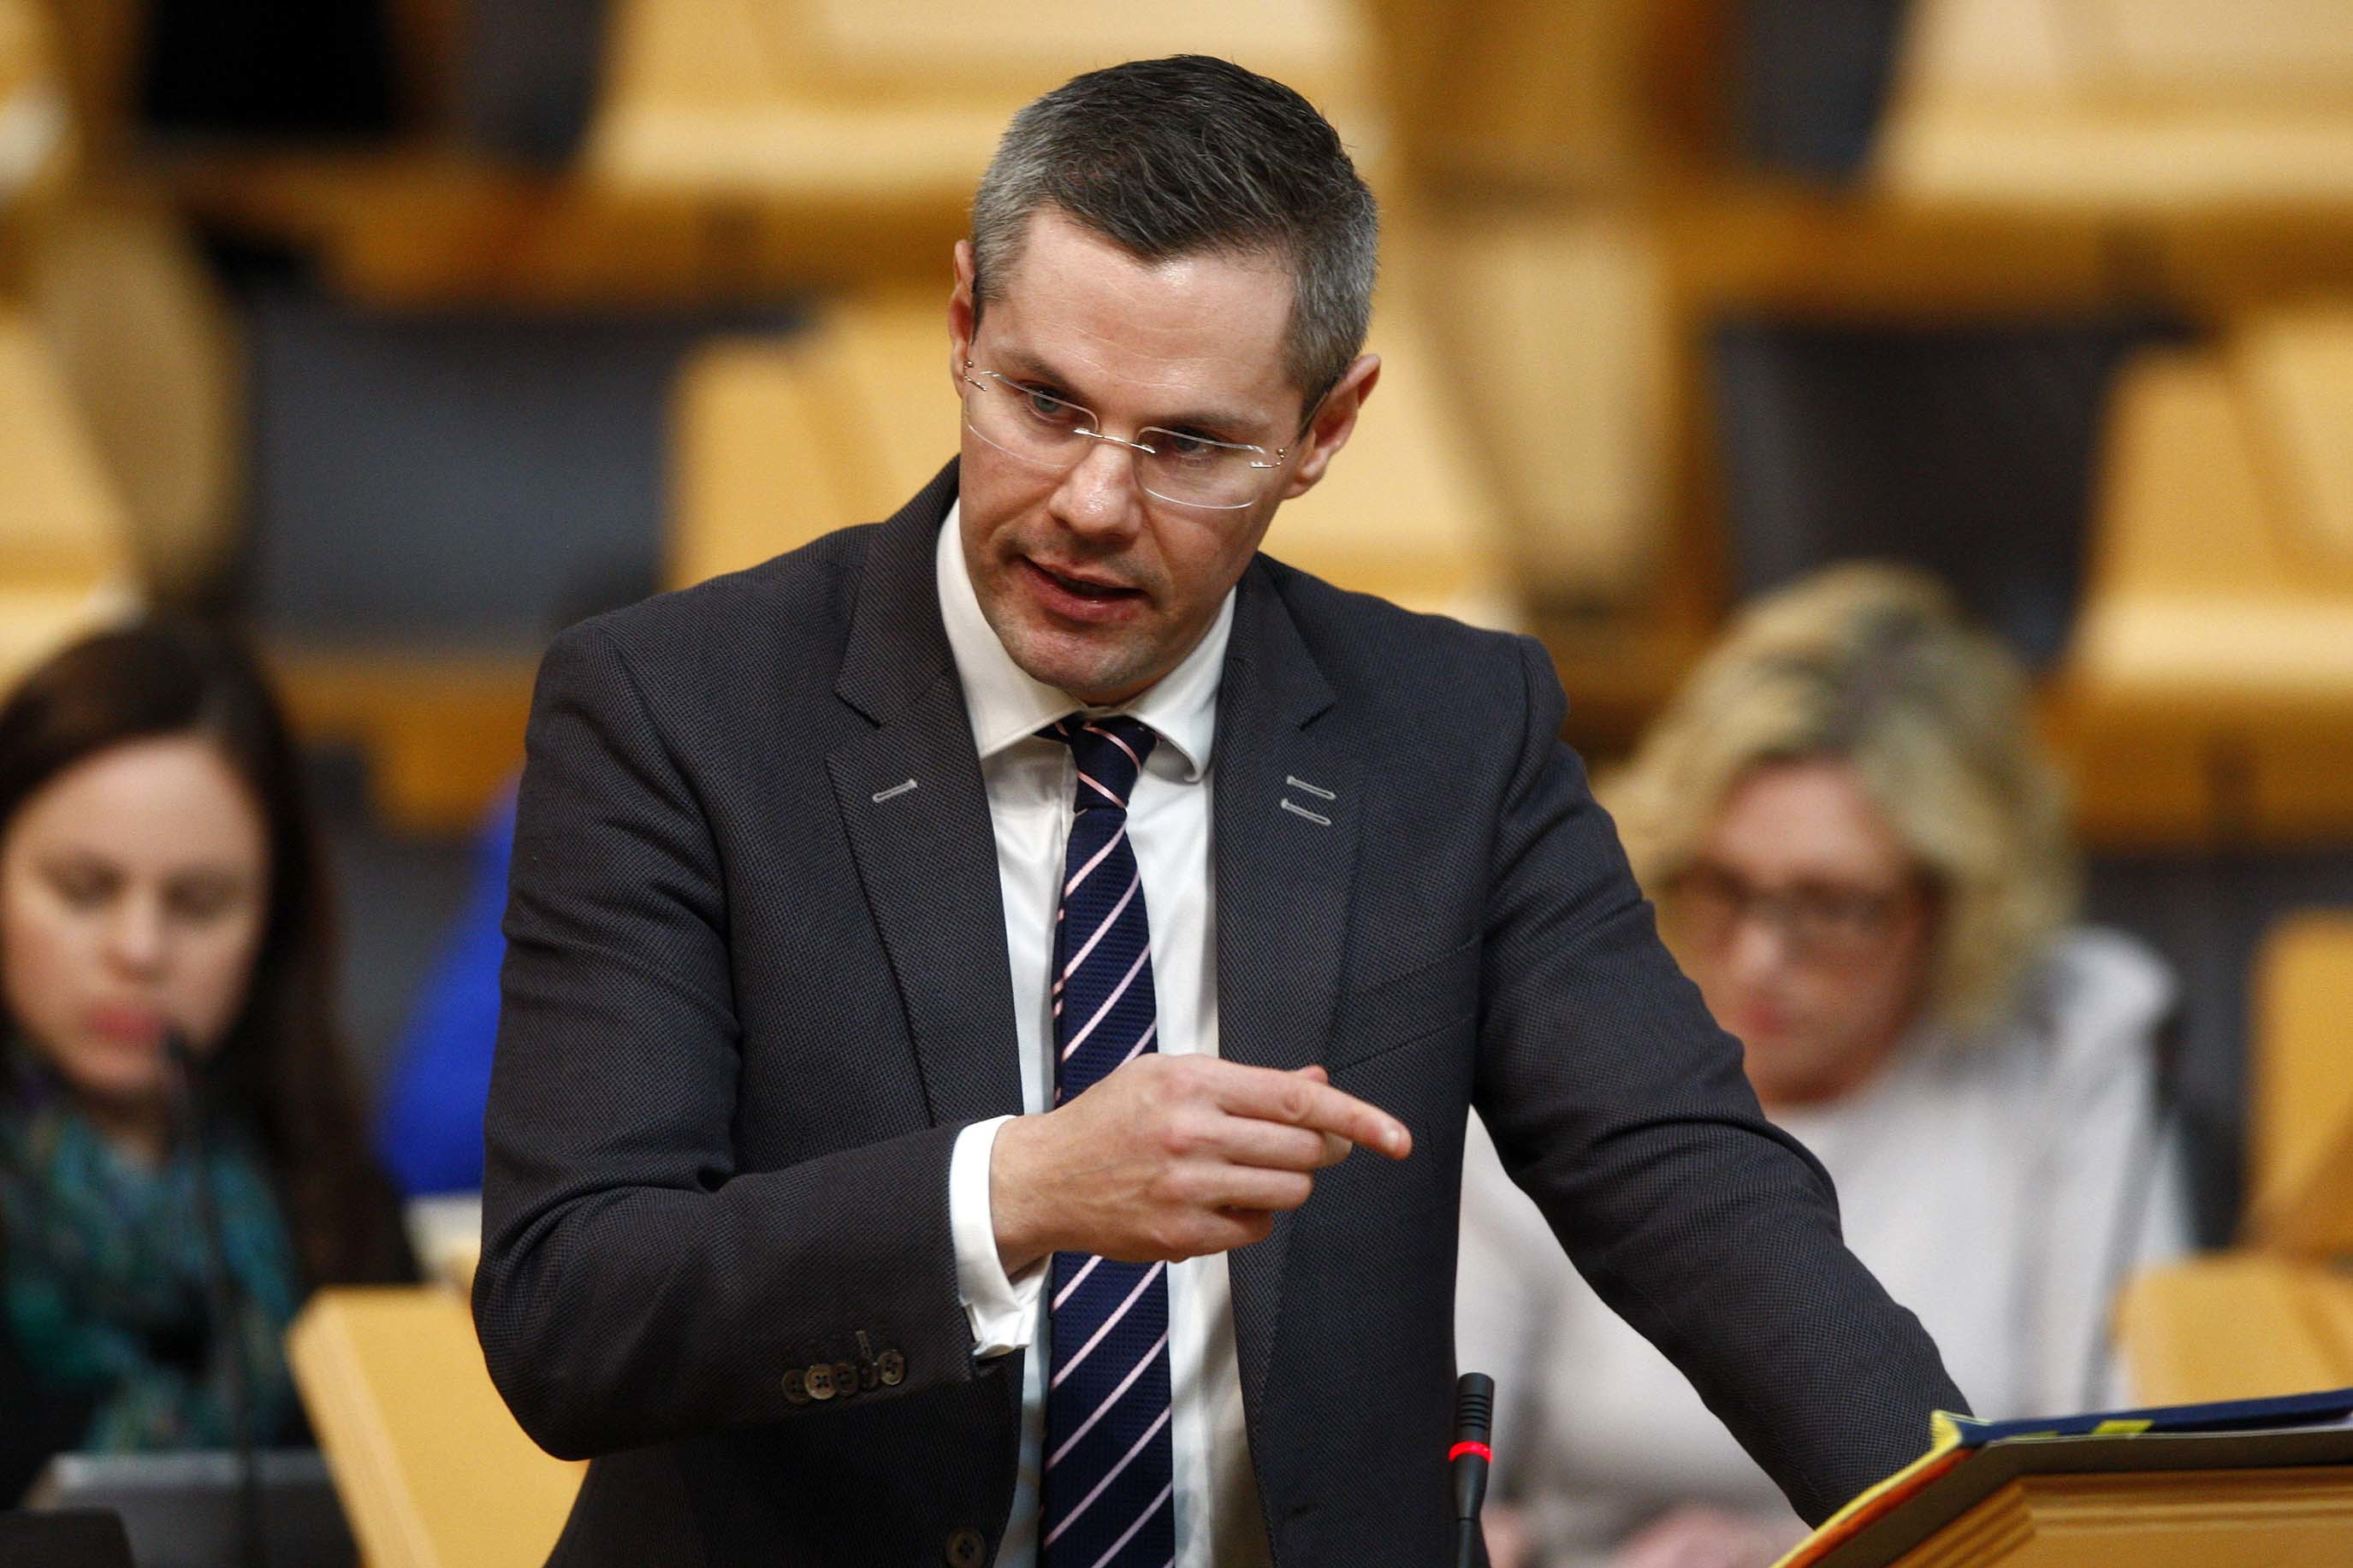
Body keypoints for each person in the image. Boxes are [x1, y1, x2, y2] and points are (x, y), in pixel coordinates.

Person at [475, 56, 1965, 1567]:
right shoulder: (678, 711)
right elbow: (574, 1303)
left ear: (1325, 429)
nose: (1093, 500)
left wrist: (1984, 1528)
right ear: (961, 331)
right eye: (1044, 403)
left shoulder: (1448, 734)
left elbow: (1696, 1195)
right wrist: (1017, 1189)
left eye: (1187, 443)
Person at [1456, 565, 2189, 1568]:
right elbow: (1437, 1465)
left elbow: (2119, 1484)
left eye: (1831, 906)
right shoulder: (1564, 1026)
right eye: (1723, 885)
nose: (1759, 957)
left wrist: (1776, 1555)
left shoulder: (2067, 1039)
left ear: (1952, 905)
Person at [0, 621, 413, 1504]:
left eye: (199, 902)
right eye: (83, 889)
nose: (139, 949)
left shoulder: (346, 1211)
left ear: (271, 925)